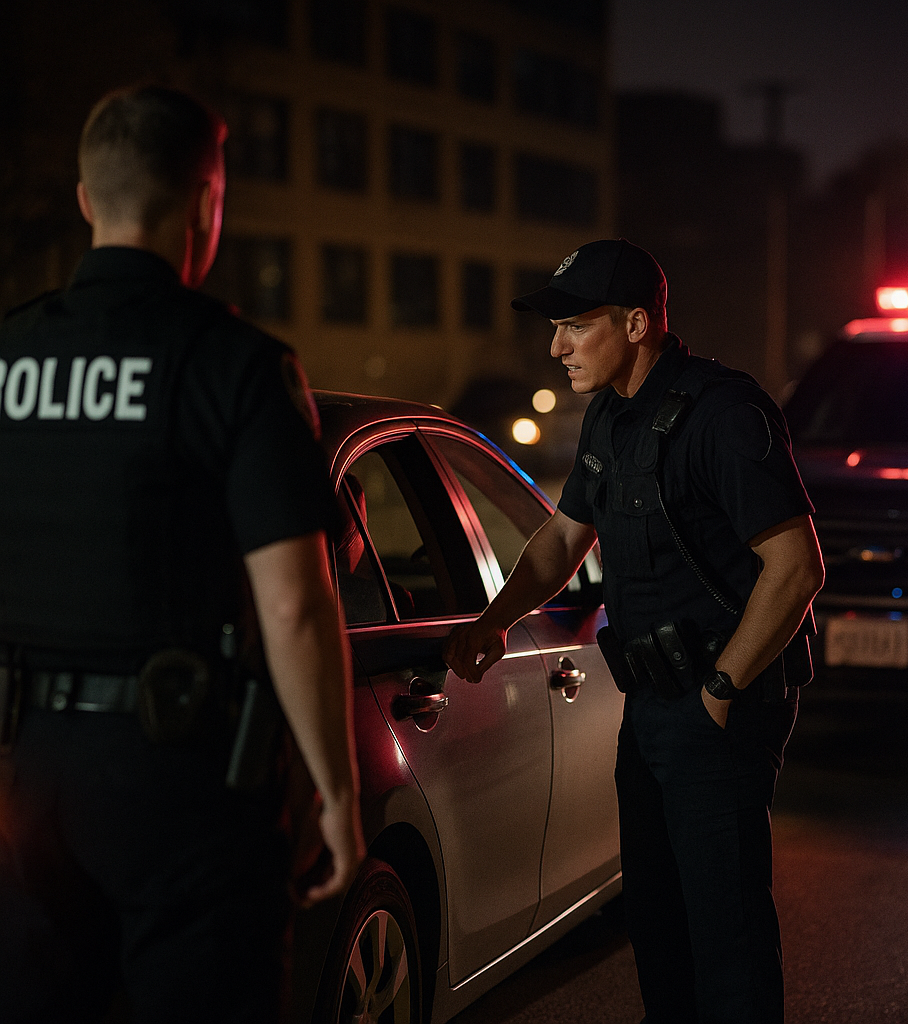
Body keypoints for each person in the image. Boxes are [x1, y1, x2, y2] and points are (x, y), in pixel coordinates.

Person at [0, 84, 364, 1023]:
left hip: (24, 773)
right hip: (183, 783)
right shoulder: (234, 365)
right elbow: (294, 603)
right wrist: (332, 788)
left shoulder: (10, 355)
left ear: (86, 199)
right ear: (208, 201)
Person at [444, 238, 824, 1024]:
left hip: (720, 702)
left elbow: (796, 567)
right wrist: (494, 620)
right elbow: (559, 539)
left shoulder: (724, 411)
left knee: (727, 935)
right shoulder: (609, 417)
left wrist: (720, 692)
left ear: (638, 322)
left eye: (575, 326)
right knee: (656, 924)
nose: (555, 348)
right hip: (650, 705)